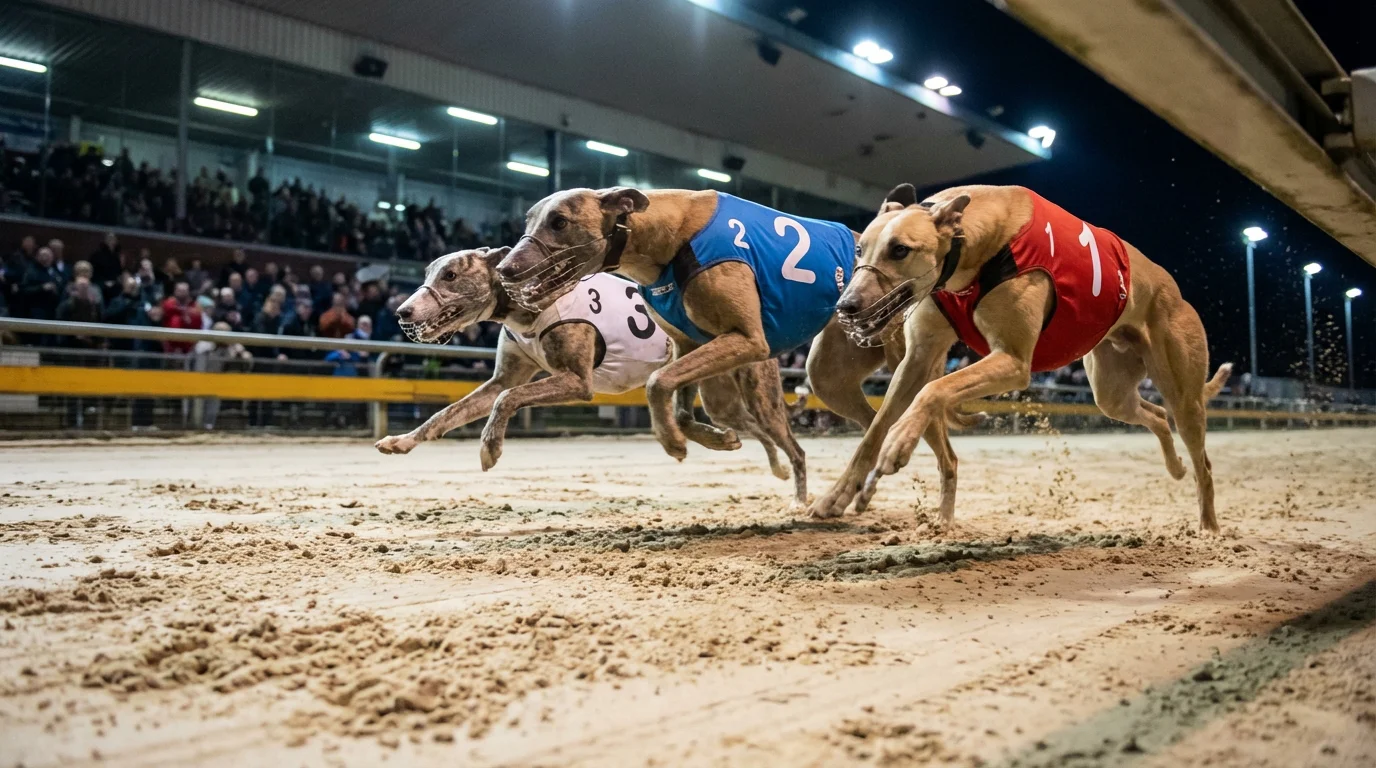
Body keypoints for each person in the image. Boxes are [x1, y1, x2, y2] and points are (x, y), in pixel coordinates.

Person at [159, 281, 202, 353]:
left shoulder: (195, 307)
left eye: (184, 291)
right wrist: (183, 311)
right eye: (179, 290)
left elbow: (198, 327)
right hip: (169, 346)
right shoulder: (168, 303)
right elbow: (165, 314)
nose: (181, 293)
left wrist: (188, 319)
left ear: (188, 292)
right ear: (175, 291)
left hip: (188, 348)